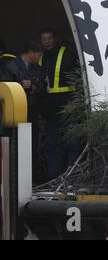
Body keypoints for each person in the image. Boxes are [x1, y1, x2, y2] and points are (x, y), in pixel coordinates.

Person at [0, 40, 44, 183]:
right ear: (31, 53)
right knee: (14, 148)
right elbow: (5, 87)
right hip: (14, 115)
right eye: (38, 54)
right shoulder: (11, 66)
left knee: (31, 147)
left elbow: (41, 86)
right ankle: (14, 180)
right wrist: (20, 85)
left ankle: (30, 179)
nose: (39, 57)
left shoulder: (37, 68)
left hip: (32, 113)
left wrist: (33, 86)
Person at [39, 28, 80, 180]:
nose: (47, 41)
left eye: (49, 38)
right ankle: (54, 179)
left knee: (72, 143)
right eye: (44, 39)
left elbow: (77, 76)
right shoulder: (43, 57)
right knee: (52, 145)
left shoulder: (67, 52)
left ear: (55, 38)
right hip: (51, 109)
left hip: (68, 104)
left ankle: (72, 178)